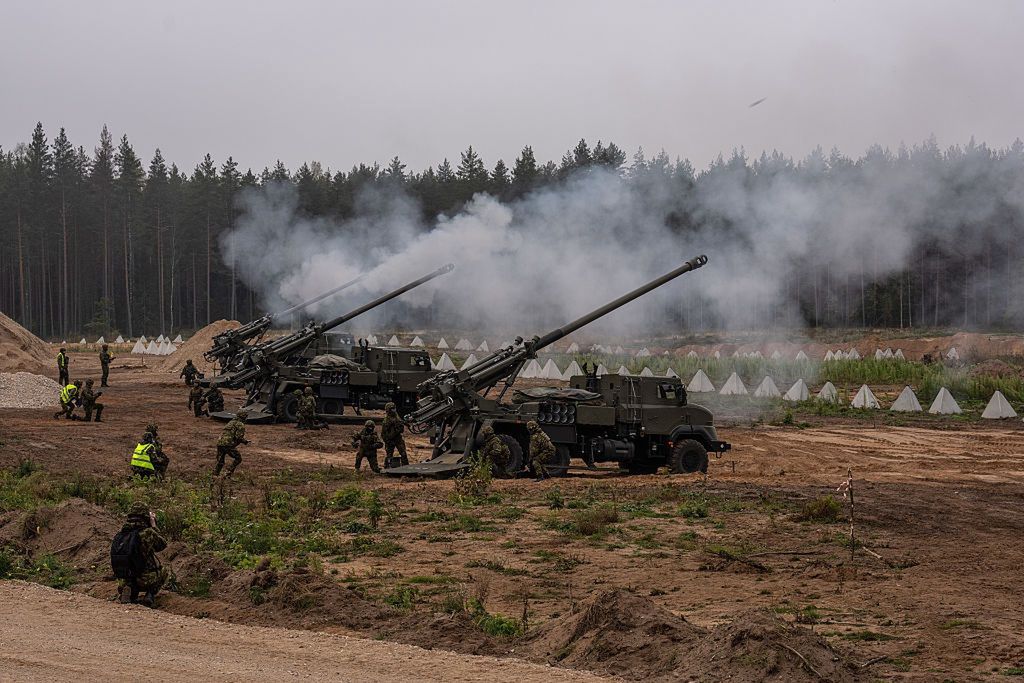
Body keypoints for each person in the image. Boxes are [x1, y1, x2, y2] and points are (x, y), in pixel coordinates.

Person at [111, 502, 169, 607]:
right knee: (164, 571)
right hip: (144, 580)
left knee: (132, 577)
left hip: (124, 579)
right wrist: (153, 525)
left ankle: (129, 590)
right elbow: (162, 545)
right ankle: (150, 594)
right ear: (145, 516)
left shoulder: (122, 534)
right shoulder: (147, 533)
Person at [215, 410, 249, 477]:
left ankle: (215, 475)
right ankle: (228, 473)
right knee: (238, 458)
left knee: (220, 461)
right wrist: (245, 441)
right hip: (228, 444)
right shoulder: (240, 424)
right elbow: (238, 437)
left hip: (220, 443)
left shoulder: (231, 422)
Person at [381, 402, 408, 467]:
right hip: (390, 440)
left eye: (394, 408)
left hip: (398, 439)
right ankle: (387, 467)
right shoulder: (386, 421)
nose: (394, 410)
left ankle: (406, 467)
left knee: (403, 454)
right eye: (392, 409)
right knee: (389, 455)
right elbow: (383, 433)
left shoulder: (397, 418)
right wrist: (387, 441)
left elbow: (401, 429)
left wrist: (400, 426)